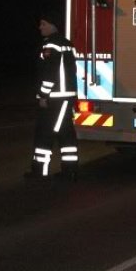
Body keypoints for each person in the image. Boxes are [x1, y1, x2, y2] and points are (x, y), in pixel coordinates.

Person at [25, 11, 80, 180]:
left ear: (52, 25)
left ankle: (40, 171)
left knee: (45, 133)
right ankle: (69, 171)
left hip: (56, 98)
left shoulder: (51, 46)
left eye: (43, 24)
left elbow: (49, 74)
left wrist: (43, 95)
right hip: (65, 96)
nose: (40, 27)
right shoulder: (66, 44)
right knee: (65, 133)